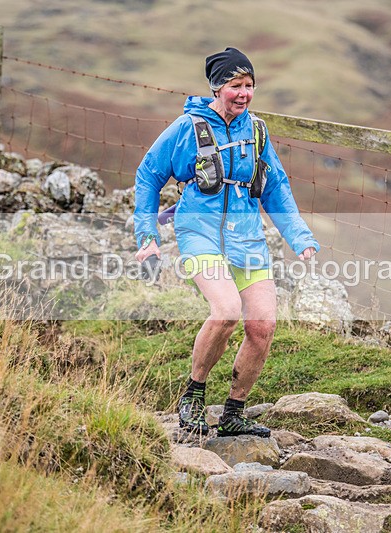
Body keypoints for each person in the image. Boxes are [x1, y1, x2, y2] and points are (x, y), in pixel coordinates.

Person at [134, 47, 318, 438]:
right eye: (236, 85)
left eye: (250, 85)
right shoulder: (188, 127)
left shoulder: (257, 131)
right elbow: (148, 176)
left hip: (247, 239)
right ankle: (193, 396)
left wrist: (300, 237)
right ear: (218, 87)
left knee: (263, 325)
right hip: (199, 233)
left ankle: (234, 412)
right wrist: (147, 236)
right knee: (227, 310)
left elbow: (277, 189)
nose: (244, 93)